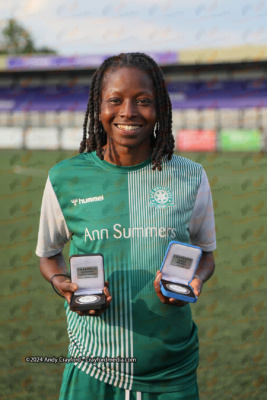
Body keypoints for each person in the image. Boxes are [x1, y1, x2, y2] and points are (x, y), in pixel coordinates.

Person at [36, 52, 216, 400]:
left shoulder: (190, 176)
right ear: (98, 107)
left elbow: (206, 255)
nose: (129, 112)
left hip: (170, 369)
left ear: (160, 108)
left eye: (144, 101)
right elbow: (48, 255)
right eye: (115, 100)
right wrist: (63, 284)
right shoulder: (64, 178)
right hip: (93, 365)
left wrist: (196, 281)